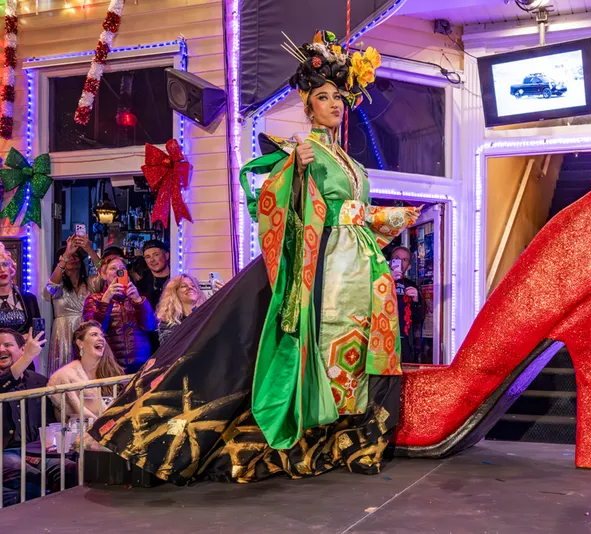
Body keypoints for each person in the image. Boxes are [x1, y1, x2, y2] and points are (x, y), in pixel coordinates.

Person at [89, 32, 419, 485]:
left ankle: (349, 438)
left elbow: (354, 213)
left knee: (357, 351)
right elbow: (286, 205)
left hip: (358, 266)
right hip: (324, 267)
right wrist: (298, 171)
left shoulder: (350, 161)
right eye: (323, 97)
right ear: (308, 106)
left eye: (338, 97)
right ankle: (311, 436)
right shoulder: (303, 150)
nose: (334, 105)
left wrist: (381, 218)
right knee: (321, 349)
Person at [1, 328, 77, 506]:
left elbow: (49, 421)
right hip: (4, 452)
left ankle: (62, 513)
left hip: (32, 450)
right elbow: (3, 383)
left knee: (69, 468)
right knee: (29, 474)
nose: (1, 349)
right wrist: (27, 358)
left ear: (22, 349)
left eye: (8, 345)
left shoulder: (38, 381)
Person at [82, 255, 157, 374]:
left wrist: (138, 301)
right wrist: (106, 300)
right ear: (103, 274)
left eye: (122, 268)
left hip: (141, 361)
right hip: (111, 362)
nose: (118, 271)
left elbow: (150, 326)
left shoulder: (137, 297)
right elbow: (93, 330)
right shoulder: (94, 300)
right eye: (113, 268)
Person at [48, 321, 124, 421]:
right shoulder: (65, 375)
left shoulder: (114, 373)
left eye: (102, 335)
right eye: (94, 335)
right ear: (80, 343)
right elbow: (62, 419)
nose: (101, 338)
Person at [43, 235, 98, 375]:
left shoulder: (91, 283)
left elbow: (105, 273)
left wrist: (89, 250)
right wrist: (66, 254)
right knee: (64, 373)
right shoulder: (58, 286)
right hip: (63, 333)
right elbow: (50, 288)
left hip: (86, 330)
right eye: (68, 256)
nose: (72, 258)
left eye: (76, 255)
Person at [390, 246, 425, 364]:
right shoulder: (379, 281)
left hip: (404, 340)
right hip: (383, 338)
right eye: (396, 258)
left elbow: (418, 319)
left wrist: (416, 300)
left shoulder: (411, 285)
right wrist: (388, 280)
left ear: (409, 266)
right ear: (390, 261)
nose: (400, 262)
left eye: (404, 260)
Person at [155, 275, 210, 344]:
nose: (190, 287)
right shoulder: (167, 322)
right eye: (184, 286)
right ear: (174, 293)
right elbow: (171, 346)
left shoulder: (207, 314)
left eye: (193, 286)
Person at [0, 243, 40, 336]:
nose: (2, 270)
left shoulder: (29, 299)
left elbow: (39, 334)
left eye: (5, 264)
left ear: (11, 268)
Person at [135, 240, 171, 308]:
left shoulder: (177, 278)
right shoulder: (141, 286)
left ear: (166, 256)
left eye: (156, 255)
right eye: (148, 257)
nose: (152, 260)